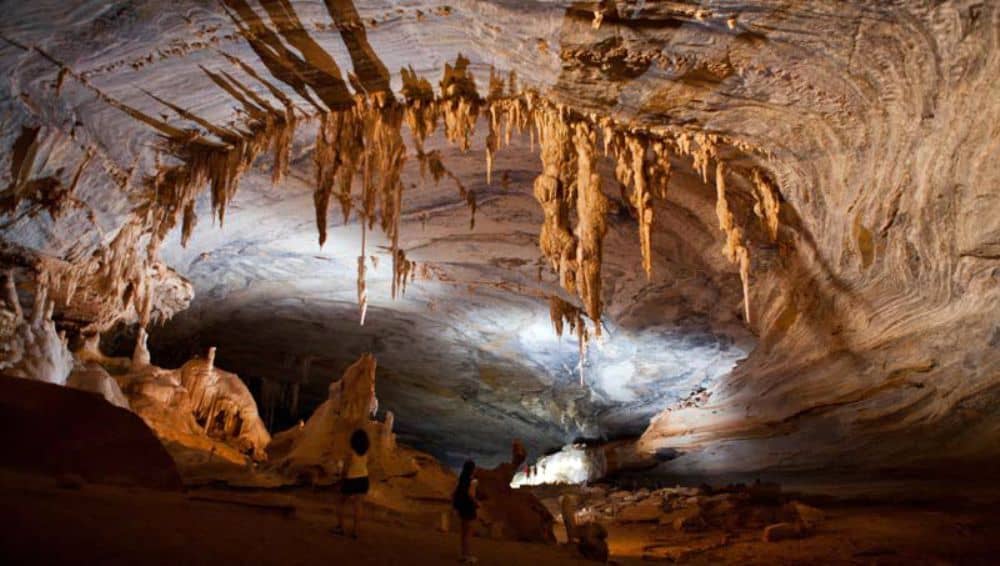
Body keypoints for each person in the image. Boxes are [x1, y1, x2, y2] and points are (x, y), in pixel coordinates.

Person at [335, 429, 370, 539]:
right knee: (358, 506)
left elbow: (345, 470)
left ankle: (340, 527)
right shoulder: (366, 453)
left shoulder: (350, 453)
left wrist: (341, 480)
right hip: (364, 480)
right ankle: (355, 531)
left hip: (352, 480)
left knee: (341, 502)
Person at [452, 460, 479, 564]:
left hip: (462, 509)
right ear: (472, 469)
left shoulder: (462, 479)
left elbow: (455, 493)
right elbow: (471, 494)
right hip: (469, 509)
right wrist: (477, 503)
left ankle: (463, 555)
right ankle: (468, 556)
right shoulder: (473, 480)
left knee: (463, 534)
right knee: (468, 534)